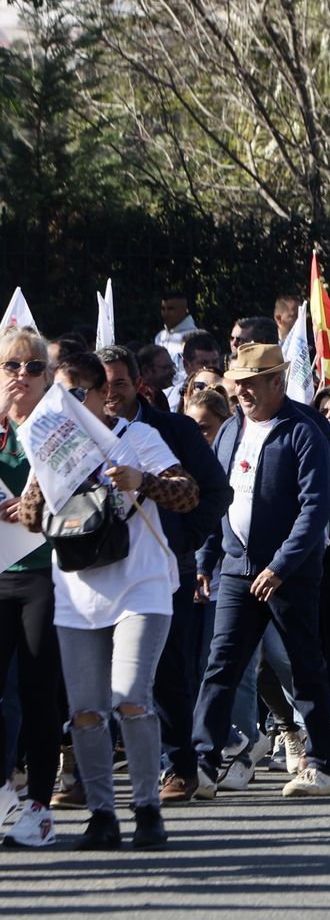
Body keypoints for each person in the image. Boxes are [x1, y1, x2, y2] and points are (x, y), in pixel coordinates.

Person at [18, 353, 200, 850]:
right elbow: (34, 518)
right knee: (85, 711)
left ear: (104, 394)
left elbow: (188, 494)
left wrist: (143, 482)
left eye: (78, 394)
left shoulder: (138, 439)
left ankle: (147, 809)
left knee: (131, 698)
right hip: (77, 593)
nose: (69, 405)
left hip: (140, 587)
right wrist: (43, 483)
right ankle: (102, 814)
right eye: (61, 396)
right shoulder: (55, 446)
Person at [192, 343, 330, 799]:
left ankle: (322, 764)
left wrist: (281, 565)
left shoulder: (304, 430)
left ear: (277, 382)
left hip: (290, 574)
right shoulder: (230, 430)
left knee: (304, 666)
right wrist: (207, 558)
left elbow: (316, 508)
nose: (240, 392)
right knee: (221, 663)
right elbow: (217, 497)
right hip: (238, 570)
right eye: (237, 383)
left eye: (251, 383)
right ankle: (201, 762)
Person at [96, 345, 231, 804]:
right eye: (103, 384)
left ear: (138, 384)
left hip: (163, 569)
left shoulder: (170, 431)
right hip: (97, 569)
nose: (111, 393)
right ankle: (88, 768)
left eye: (119, 383)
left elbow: (214, 490)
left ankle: (179, 767)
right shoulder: (82, 433)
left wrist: (181, 539)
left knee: (169, 670)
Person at [0, 328, 63, 846]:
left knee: (40, 694)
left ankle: (40, 804)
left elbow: (72, 488)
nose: (22, 376)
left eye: (33, 367)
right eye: (11, 366)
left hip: (44, 576)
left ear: (47, 375)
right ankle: (3, 788)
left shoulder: (56, 426)